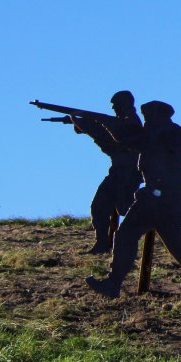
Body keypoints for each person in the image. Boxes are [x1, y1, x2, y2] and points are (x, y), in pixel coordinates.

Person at [86, 101, 181, 302]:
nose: (145, 121)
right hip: (157, 197)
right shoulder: (162, 133)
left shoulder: (170, 134)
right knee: (136, 237)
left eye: (148, 117)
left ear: (159, 116)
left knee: (167, 243)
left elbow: (129, 141)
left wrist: (107, 124)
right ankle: (114, 283)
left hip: (165, 198)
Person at [68, 91, 142, 254]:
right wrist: (84, 125)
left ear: (125, 105)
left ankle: (128, 245)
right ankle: (102, 244)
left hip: (127, 175)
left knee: (127, 209)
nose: (114, 109)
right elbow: (105, 135)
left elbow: (110, 138)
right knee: (99, 207)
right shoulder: (121, 122)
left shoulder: (131, 123)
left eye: (116, 105)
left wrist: (85, 125)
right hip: (117, 174)